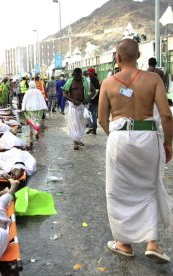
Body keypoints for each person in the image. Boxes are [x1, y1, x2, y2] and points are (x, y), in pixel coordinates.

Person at [98, 38, 173, 264]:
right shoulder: (153, 79)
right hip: (148, 136)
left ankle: (124, 243)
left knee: (118, 190)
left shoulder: (108, 83)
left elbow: (102, 120)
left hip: (120, 138)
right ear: (138, 55)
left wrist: (117, 139)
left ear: (117, 58)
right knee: (149, 187)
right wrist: (168, 144)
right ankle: (152, 243)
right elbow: (167, 115)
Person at [63, 68, 96, 150]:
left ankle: (78, 139)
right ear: (73, 75)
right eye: (76, 76)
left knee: (81, 125)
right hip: (73, 106)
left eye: (79, 76)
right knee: (74, 124)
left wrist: (87, 99)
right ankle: (75, 142)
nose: (78, 78)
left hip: (82, 106)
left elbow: (94, 91)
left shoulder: (86, 81)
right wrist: (73, 100)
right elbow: (65, 94)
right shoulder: (69, 81)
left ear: (81, 74)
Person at [21, 81, 48, 147]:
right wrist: (44, 107)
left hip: (29, 109)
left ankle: (31, 136)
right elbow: (42, 100)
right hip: (38, 109)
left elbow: (24, 100)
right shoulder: (38, 91)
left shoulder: (27, 92)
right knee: (37, 121)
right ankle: (37, 133)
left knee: (30, 121)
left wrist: (23, 108)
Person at [86, 68, 100, 135]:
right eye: (88, 72)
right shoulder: (96, 79)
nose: (88, 73)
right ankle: (94, 129)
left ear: (93, 73)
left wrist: (90, 98)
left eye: (89, 72)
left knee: (87, 113)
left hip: (91, 100)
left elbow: (96, 90)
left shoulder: (91, 80)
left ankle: (91, 126)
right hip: (95, 100)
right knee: (94, 115)